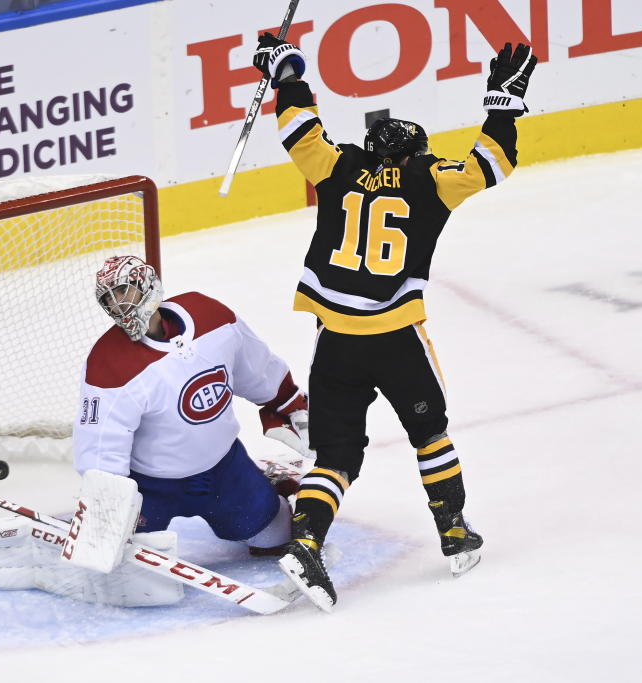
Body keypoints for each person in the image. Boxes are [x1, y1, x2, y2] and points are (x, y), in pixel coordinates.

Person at [252, 34, 537, 611]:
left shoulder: (338, 166)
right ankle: (454, 529)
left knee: (334, 458)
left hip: (336, 343)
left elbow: (298, 131)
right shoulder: (430, 177)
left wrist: (286, 73)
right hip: (395, 338)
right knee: (430, 433)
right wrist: (502, 99)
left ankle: (306, 541)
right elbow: (493, 162)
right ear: (410, 154)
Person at [73, 255, 312, 557]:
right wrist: (106, 505)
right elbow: (99, 444)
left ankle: (266, 491)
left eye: (123, 291)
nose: (118, 304)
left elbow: (254, 367)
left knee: (273, 535)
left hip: (224, 469)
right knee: (135, 562)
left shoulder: (210, 316)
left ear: (147, 285)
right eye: (109, 298)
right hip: (150, 486)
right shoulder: (108, 363)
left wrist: (289, 402)